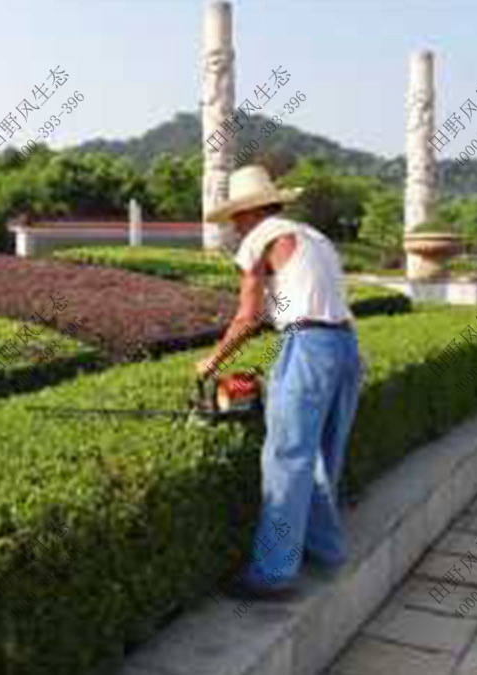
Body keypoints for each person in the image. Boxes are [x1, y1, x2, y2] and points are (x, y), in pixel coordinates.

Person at [196, 165, 362, 596]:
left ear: (248, 213)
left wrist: (212, 361)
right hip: (345, 345)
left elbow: (248, 316)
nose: (233, 225)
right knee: (322, 459)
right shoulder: (314, 237)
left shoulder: (260, 237)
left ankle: (272, 573)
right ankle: (325, 551)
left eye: (235, 216)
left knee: (285, 459)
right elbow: (298, 298)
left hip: (308, 348)